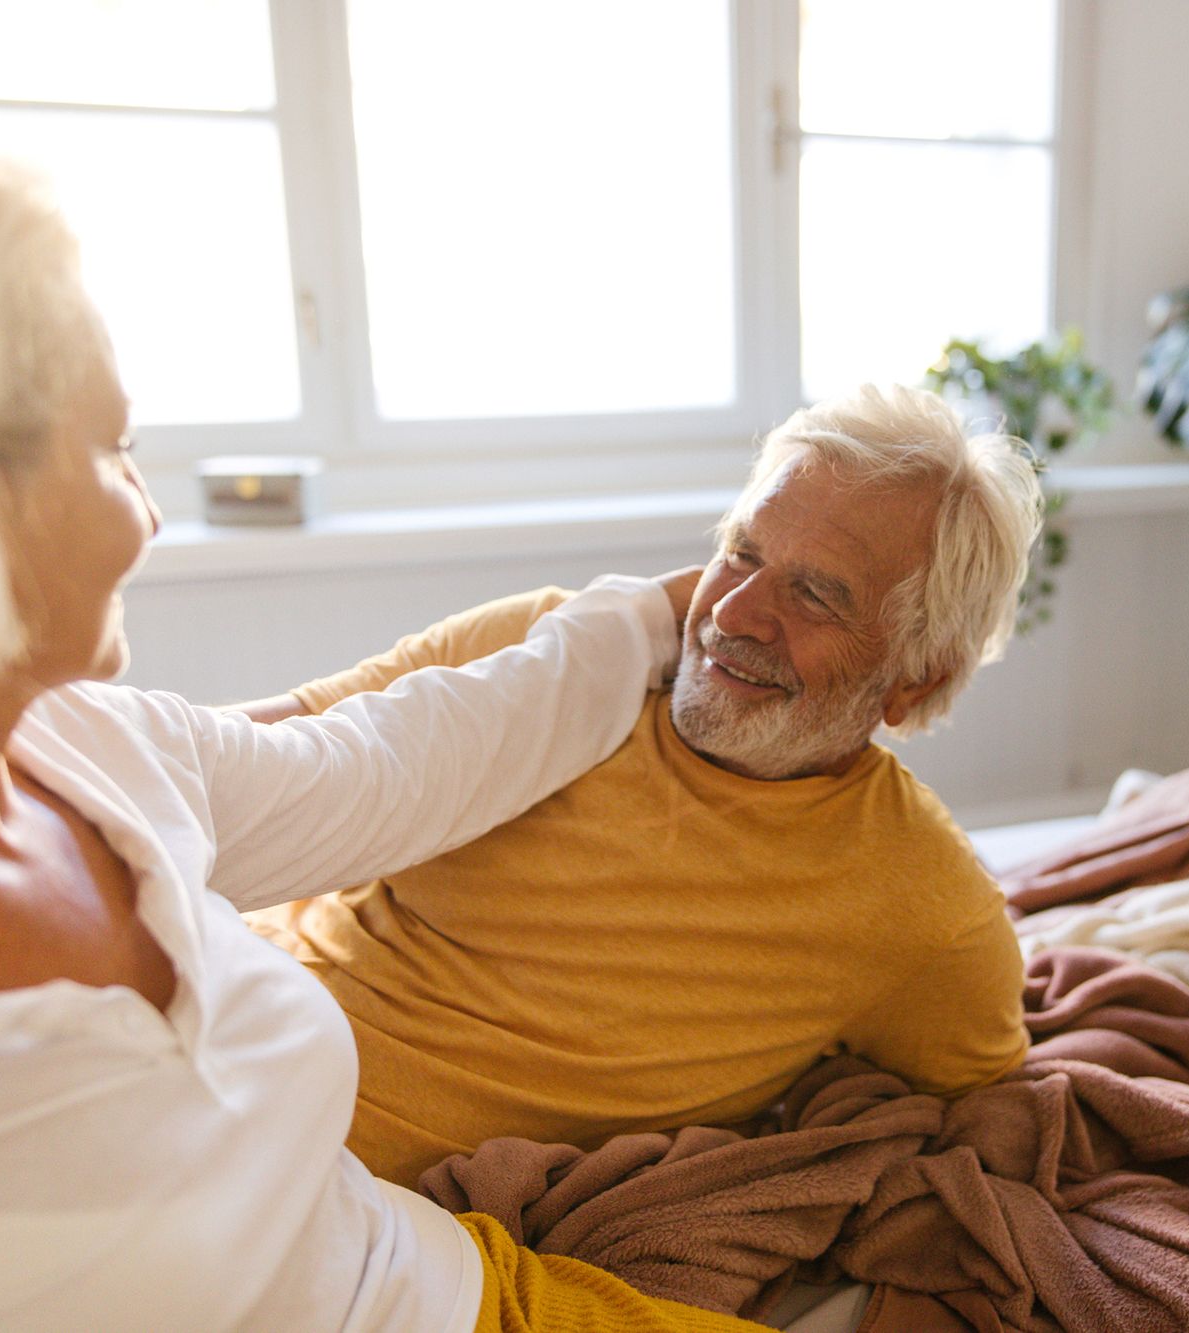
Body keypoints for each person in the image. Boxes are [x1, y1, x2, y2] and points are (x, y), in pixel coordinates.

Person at [0, 107, 764, 1331]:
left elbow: (394, 761)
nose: (144, 514)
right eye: (116, 450)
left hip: (472, 1297)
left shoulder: (88, 747)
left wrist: (659, 615)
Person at [243, 384, 1045, 1188]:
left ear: (913, 679)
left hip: (305, 1190)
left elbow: (998, 1104)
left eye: (815, 594)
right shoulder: (549, 648)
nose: (733, 614)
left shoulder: (923, 909)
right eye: (742, 551)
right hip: (216, 1008)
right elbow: (247, 754)